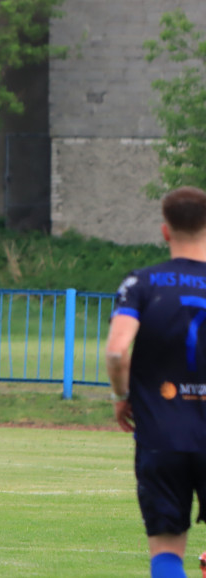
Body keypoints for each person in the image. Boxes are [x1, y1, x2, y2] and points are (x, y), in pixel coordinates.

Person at [105, 186, 206, 578]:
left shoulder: (142, 284)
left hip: (161, 435)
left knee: (166, 551)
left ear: (165, 231)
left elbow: (116, 351)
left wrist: (121, 395)